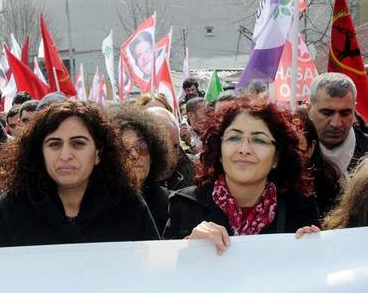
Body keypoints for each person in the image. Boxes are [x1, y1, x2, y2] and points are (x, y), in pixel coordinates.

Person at [0, 101, 159, 248]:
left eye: (78, 144)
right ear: (40, 152)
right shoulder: (12, 207)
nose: (65, 156)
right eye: (54, 144)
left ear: (98, 153)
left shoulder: (129, 205)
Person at [164, 98, 319, 254]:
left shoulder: (300, 207)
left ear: (276, 157)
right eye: (234, 138)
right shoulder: (184, 205)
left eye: (259, 140)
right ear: (219, 150)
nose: (244, 149)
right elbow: (163, 270)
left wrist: (312, 248)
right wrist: (187, 247)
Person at [109, 106, 170, 233]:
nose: (135, 156)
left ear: (153, 154)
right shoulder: (96, 208)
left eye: (142, 147)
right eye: (124, 149)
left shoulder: (174, 205)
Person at [308, 72, 368, 179]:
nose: (336, 124)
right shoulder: (290, 155)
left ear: (354, 109)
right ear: (309, 110)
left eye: (345, 113)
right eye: (327, 113)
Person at [292, 106, 341, 217]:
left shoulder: (328, 182)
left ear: (311, 147)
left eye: (297, 149)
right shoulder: (265, 183)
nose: (290, 155)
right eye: (285, 146)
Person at [145, 107, 194, 189]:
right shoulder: (135, 177)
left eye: (175, 147)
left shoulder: (196, 169)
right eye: (162, 149)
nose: (170, 157)